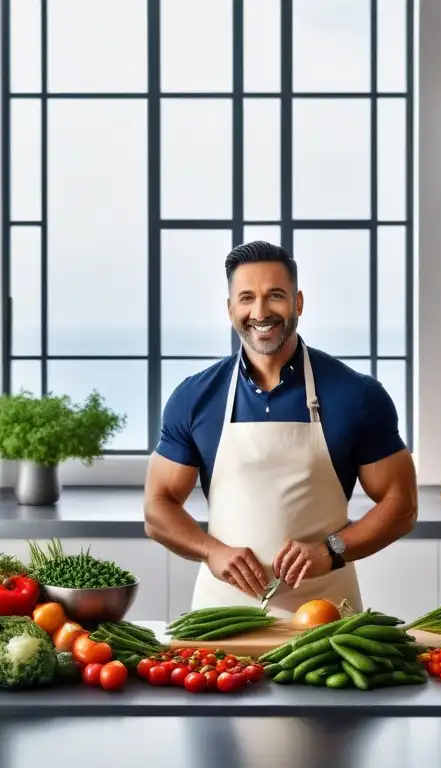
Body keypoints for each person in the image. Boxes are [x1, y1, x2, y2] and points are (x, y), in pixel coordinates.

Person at [144, 240, 418, 618]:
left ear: (298, 303)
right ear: (230, 309)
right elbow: (157, 508)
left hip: (327, 622)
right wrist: (211, 550)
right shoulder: (195, 397)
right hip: (219, 621)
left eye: (275, 296)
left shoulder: (357, 395)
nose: (260, 312)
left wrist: (331, 549)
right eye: (246, 298)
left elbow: (401, 505)